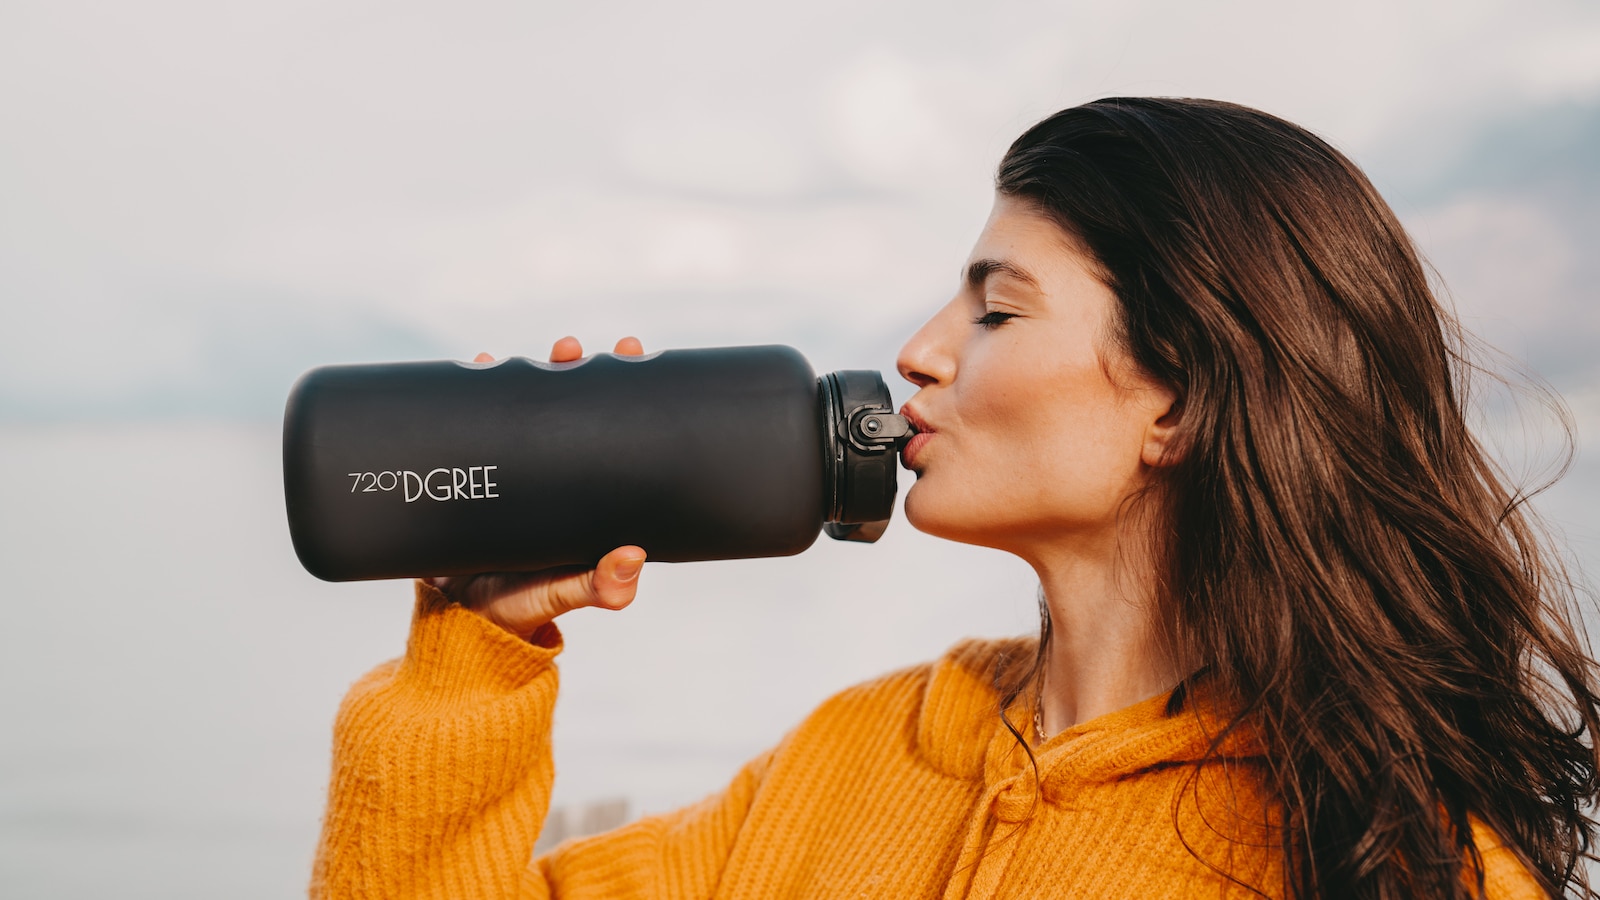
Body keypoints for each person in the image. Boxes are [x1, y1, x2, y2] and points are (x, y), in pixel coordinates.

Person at [308, 98, 1599, 899]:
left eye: (997, 307)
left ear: (1182, 401)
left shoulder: (1403, 866)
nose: (921, 350)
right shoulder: (863, 755)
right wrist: (474, 654)